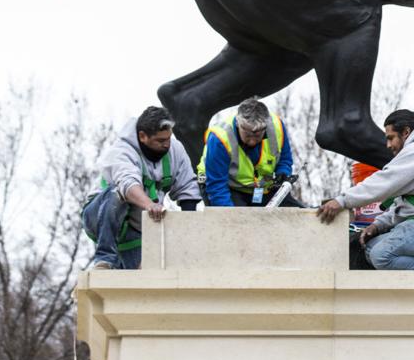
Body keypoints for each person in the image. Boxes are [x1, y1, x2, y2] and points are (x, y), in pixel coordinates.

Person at [316, 109, 414, 270]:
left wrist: (341, 201)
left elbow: (383, 182)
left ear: (405, 132)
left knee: (381, 256)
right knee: (369, 248)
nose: (388, 145)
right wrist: (378, 225)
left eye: (391, 138)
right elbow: (405, 204)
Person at [82, 106, 201, 270]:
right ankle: (105, 260)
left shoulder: (175, 149)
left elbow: (187, 185)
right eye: (160, 141)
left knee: (144, 277)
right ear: (143, 136)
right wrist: (149, 204)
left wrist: (190, 228)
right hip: (100, 216)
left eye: (168, 138)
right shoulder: (122, 151)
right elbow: (128, 184)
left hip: (137, 229)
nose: (166, 145)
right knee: (116, 195)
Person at [198, 97, 300, 207]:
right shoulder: (219, 138)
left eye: (257, 135)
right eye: (247, 135)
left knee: (298, 212)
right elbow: (217, 187)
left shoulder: (277, 126)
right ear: (238, 124)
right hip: (223, 186)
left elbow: (285, 159)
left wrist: (282, 173)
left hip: (260, 188)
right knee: (238, 220)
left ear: (265, 128)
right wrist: (231, 219)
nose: (252, 142)